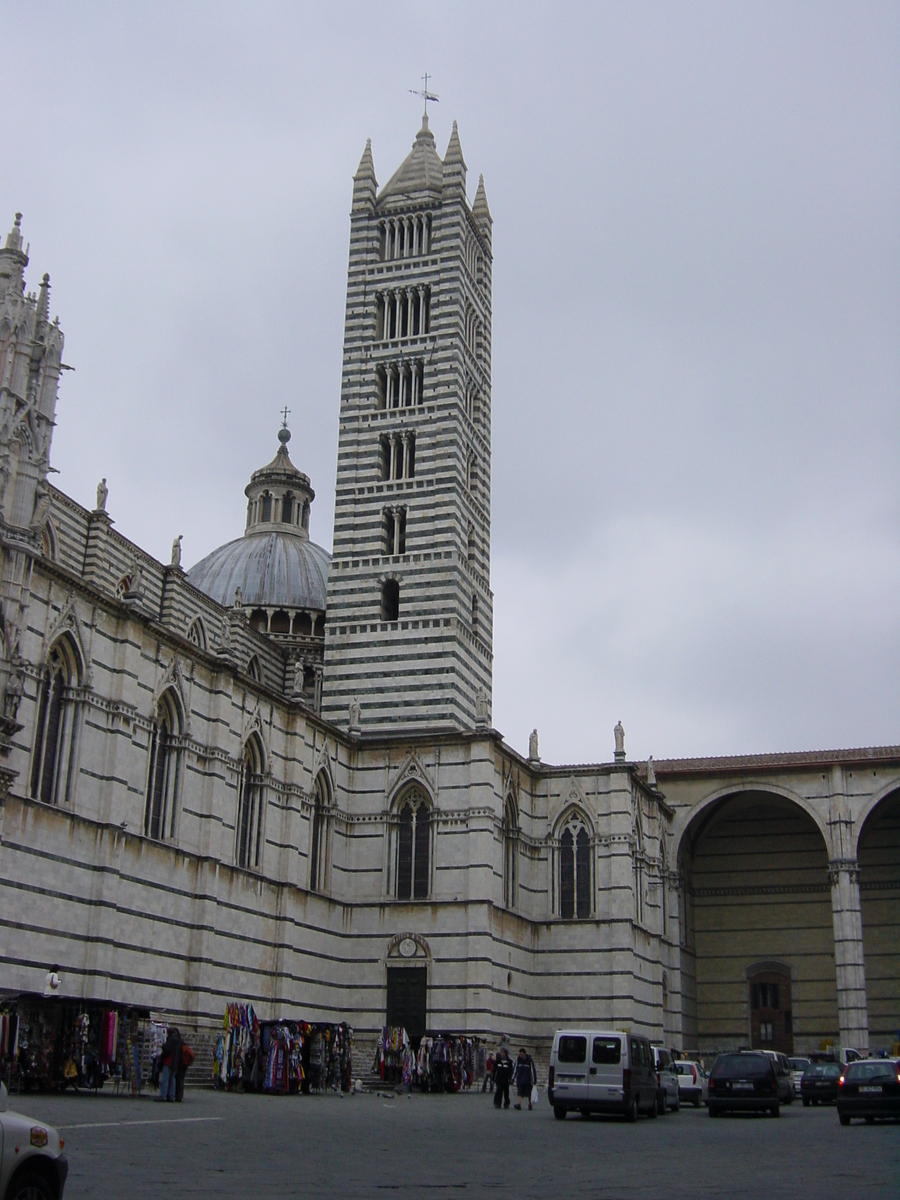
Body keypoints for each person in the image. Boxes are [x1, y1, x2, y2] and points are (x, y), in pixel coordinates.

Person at [157, 1026, 182, 1102]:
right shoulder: (179, 1040)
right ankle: (171, 1096)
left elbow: (167, 1049)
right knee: (172, 1080)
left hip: (168, 1061)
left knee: (164, 1079)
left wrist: (163, 1046)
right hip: (175, 1063)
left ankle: (163, 1096)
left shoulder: (170, 1039)